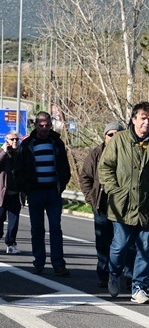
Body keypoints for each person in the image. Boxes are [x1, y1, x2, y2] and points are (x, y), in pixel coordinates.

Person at [99, 103, 149, 301]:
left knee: (146, 248)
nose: (147, 122)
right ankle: (114, 273)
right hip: (122, 206)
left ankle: (140, 287)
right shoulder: (119, 141)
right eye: (143, 117)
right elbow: (105, 168)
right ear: (134, 119)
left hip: (146, 207)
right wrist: (114, 190)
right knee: (120, 245)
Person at [15, 111, 72, 276]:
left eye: (47, 125)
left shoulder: (57, 143)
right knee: (37, 229)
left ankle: (58, 264)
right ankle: (39, 263)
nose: (44, 129)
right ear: (35, 126)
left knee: (55, 228)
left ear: (51, 125)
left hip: (53, 192)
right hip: (35, 193)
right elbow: (18, 170)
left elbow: (65, 168)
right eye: (41, 126)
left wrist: (60, 186)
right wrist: (26, 189)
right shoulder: (27, 145)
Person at [80, 121, 125, 288]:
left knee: (124, 243)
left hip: (123, 208)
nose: (113, 137)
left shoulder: (127, 153)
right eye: (110, 134)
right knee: (103, 243)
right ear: (105, 136)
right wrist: (91, 199)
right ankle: (104, 275)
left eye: (117, 134)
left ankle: (127, 276)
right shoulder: (96, 154)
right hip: (102, 206)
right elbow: (85, 177)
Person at [0, 131, 22, 256]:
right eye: (12, 139)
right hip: (1, 195)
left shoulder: (21, 154)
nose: (14, 141)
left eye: (16, 139)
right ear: (6, 140)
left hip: (15, 194)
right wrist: (3, 152)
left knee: (14, 221)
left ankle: (11, 244)